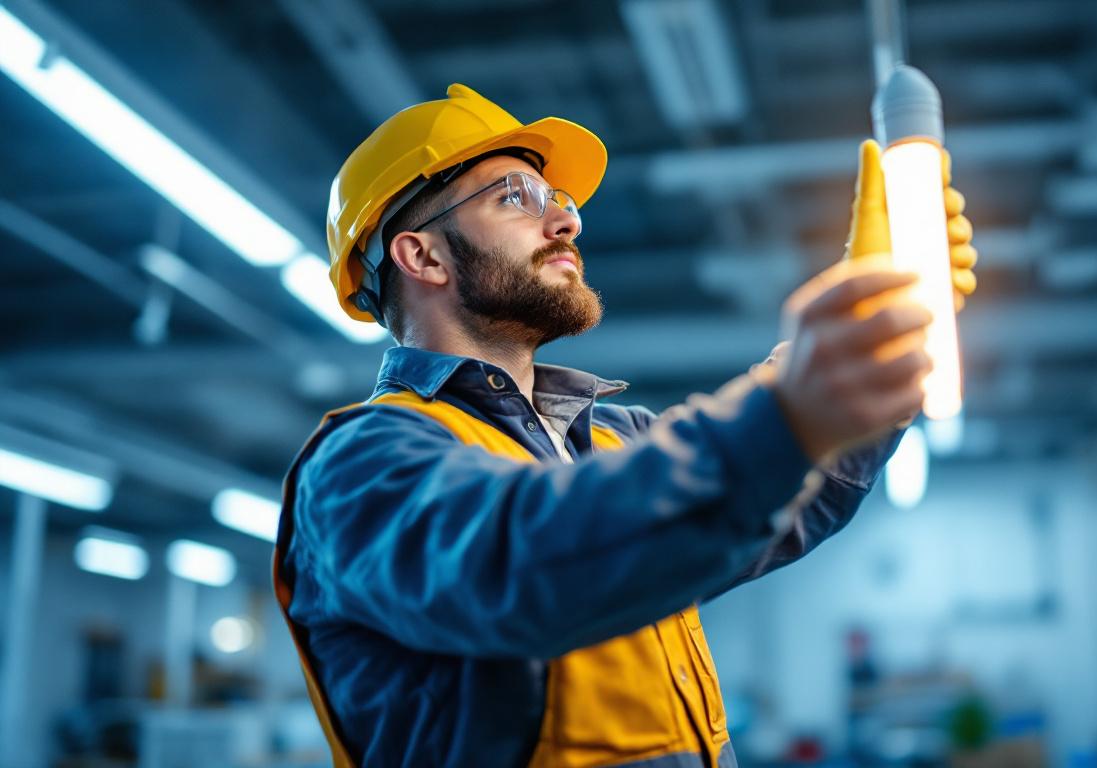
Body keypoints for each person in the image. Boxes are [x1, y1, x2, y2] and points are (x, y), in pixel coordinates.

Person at [273, 83, 978, 768]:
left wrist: (876, 341)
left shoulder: (612, 439)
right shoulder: (356, 468)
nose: (566, 221)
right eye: (513, 197)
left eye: (558, 198)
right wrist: (787, 410)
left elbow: (788, 491)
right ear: (422, 255)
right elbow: (527, 561)